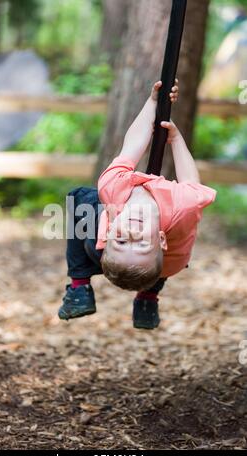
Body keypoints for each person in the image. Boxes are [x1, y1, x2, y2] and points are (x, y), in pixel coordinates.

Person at [58, 80, 216, 329]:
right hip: (169, 263)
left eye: (122, 240)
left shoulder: (112, 187)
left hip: (103, 254)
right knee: (155, 265)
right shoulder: (184, 206)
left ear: (108, 232)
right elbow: (190, 181)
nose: (132, 233)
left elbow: (132, 145)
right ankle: (147, 297)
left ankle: (79, 286)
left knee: (80, 199)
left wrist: (153, 101)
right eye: (140, 241)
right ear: (161, 239)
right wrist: (175, 139)